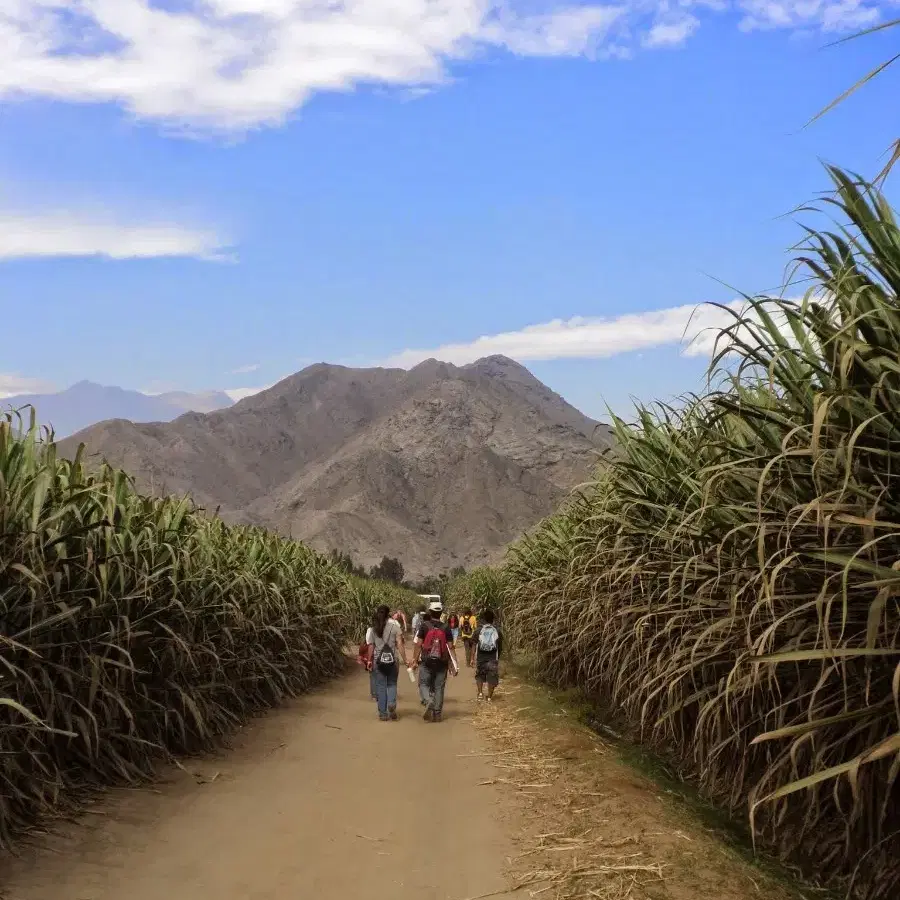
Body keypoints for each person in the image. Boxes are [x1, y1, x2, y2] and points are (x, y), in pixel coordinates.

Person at [411, 600, 458, 722]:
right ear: (441, 612)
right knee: (439, 687)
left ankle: (428, 700)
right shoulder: (446, 627)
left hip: (426, 661)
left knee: (423, 684)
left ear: (430, 612)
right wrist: (454, 665)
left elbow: (418, 644)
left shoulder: (424, 625)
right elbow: (450, 647)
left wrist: (414, 660)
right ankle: (437, 714)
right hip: (442, 662)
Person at [366, 604, 409, 721]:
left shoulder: (373, 629)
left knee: (380, 686)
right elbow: (400, 644)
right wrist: (405, 660)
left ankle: (383, 714)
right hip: (393, 661)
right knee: (392, 684)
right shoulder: (395, 627)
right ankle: (391, 705)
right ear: (388, 614)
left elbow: (371, 646)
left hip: (378, 661)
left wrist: (369, 661)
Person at [473, 609, 502, 702]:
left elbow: (474, 644)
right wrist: (499, 656)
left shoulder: (478, 630)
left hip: (481, 657)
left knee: (480, 675)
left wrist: (472, 658)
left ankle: (480, 693)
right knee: (492, 677)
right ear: (493, 619)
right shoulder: (497, 630)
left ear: (483, 619)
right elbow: (500, 645)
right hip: (492, 658)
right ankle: (489, 697)